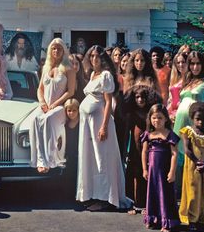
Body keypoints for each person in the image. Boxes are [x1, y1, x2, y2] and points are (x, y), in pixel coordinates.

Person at [77, 45, 131, 211]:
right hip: (87, 125)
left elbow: (108, 102)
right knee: (92, 159)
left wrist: (104, 126)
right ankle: (93, 194)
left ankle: (107, 198)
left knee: (103, 160)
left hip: (99, 122)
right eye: (91, 56)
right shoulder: (93, 74)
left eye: (97, 56)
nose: (94, 59)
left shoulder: (106, 75)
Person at [172, 51, 204, 195]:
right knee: (182, 157)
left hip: (200, 126)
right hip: (181, 125)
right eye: (192, 63)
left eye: (198, 63)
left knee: (201, 156)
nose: (195, 67)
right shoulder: (187, 81)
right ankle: (185, 193)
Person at [29, 38, 75, 173]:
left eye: (59, 48)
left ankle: (50, 159)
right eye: (54, 48)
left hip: (59, 107)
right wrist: (42, 102)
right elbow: (40, 89)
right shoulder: (46, 67)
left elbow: (70, 91)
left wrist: (55, 104)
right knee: (34, 119)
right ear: (50, 50)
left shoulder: (68, 68)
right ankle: (39, 160)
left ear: (63, 51)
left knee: (48, 119)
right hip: (45, 105)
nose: (56, 51)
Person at [179, 102, 204, 230]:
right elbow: (187, 149)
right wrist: (197, 162)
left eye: (203, 119)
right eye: (197, 119)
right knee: (193, 192)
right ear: (192, 118)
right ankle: (192, 218)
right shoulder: (188, 132)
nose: (200, 122)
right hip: (192, 167)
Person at [122, 85, 162, 214]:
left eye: (142, 97)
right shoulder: (131, 113)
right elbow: (127, 132)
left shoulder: (150, 113)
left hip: (148, 147)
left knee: (146, 174)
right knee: (133, 173)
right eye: (137, 97)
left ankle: (146, 203)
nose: (140, 100)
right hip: (134, 148)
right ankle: (133, 204)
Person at [141, 104, 180, 232]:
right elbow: (144, 152)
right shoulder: (148, 134)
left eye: (160, 118)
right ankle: (153, 219)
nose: (156, 120)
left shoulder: (169, 135)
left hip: (164, 170)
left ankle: (167, 221)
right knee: (152, 193)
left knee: (165, 194)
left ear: (166, 119)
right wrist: (145, 169)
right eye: (154, 118)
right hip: (152, 171)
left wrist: (172, 171)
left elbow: (175, 154)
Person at [63, 98, 80, 198]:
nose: (71, 113)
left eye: (74, 110)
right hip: (69, 153)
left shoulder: (81, 123)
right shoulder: (66, 124)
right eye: (69, 110)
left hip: (78, 153)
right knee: (69, 173)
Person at [166, 52, 188, 121]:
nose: (180, 65)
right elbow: (171, 100)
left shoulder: (190, 79)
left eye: (183, 62)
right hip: (171, 114)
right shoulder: (175, 79)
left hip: (183, 114)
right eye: (178, 63)